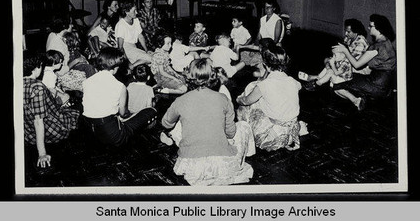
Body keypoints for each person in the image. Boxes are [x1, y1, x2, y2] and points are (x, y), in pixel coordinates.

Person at [160, 58, 255, 186]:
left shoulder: (180, 101)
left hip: (192, 163)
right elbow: (231, 133)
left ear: (189, 76)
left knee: (180, 125)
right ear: (213, 76)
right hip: (221, 162)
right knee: (243, 126)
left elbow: (165, 123)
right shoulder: (223, 98)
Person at [81, 47, 157, 147]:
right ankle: (140, 142)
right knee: (151, 111)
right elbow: (124, 114)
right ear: (116, 66)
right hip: (113, 135)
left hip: (88, 130)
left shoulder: (87, 82)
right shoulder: (120, 86)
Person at [236, 45, 303, 152]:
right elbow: (299, 86)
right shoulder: (292, 81)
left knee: (246, 103)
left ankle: (248, 137)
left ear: (266, 66)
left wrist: (238, 99)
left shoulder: (265, 85)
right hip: (291, 133)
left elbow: (246, 101)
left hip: (272, 138)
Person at [23, 51, 80, 168]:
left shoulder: (19, 83)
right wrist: (42, 154)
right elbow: (38, 122)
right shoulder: (37, 87)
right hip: (49, 128)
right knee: (78, 108)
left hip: (28, 133)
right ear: (37, 66)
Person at [332, 14, 396, 111]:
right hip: (385, 83)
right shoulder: (386, 41)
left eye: (371, 26)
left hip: (377, 84)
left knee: (337, 85)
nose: (368, 28)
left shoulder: (377, 46)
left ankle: (357, 100)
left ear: (378, 28)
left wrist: (345, 51)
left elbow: (357, 65)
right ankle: (360, 98)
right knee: (350, 77)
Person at [114, 2, 152, 69]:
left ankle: (133, 65)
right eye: (134, 11)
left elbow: (140, 37)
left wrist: (146, 50)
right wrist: (127, 62)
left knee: (150, 58)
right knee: (150, 59)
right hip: (125, 49)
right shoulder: (121, 25)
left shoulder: (136, 20)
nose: (136, 12)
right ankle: (131, 66)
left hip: (133, 47)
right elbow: (120, 47)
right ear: (127, 12)